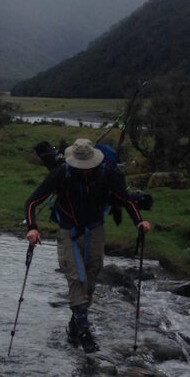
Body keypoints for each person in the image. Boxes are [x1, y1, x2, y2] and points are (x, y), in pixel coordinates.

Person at [24, 138, 152, 352]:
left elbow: (126, 199)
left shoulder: (105, 174)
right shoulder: (60, 174)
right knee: (77, 277)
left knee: (91, 277)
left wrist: (139, 221)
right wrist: (32, 227)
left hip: (95, 230)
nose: (84, 170)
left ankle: (75, 326)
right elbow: (32, 201)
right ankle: (84, 332)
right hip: (68, 231)